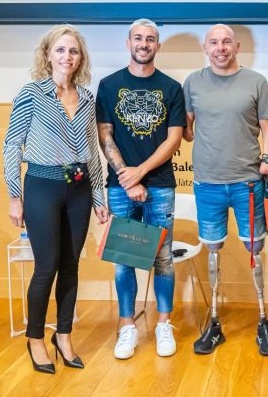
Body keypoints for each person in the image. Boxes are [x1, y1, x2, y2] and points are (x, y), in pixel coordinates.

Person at [3, 24, 108, 374]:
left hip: (78, 190)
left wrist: (98, 195)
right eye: (61, 50)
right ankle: (35, 338)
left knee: (71, 266)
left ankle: (63, 335)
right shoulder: (32, 93)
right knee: (46, 267)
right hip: (41, 188)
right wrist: (15, 196)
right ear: (48, 54)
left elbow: (92, 153)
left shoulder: (89, 98)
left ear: (81, 58)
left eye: (73, 51)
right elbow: (11, 146)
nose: (67, 57)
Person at [183, 24, 268, 356]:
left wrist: (266, 157)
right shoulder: (192, 83)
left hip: (248, 183)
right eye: (214, 42)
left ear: (237, 46)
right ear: (205, 48)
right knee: (212, 250)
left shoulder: (257, 82)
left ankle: (263, 321)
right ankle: (214, 322)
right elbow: (187, 126)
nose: (221, 48)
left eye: (226, 42)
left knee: (255, 250)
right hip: (208, 183)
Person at [96, 19, 186, 359]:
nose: (144, 44)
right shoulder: (108, 85)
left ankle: (164, 325)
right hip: (119, 187)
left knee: (163, 259)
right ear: (128, 42)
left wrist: (141, 173)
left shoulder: (172, 87)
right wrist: (125, 176)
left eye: (150, 39)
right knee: (123, 259)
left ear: (157, 46)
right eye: (138, 38)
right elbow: (105, 135)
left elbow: (174, 138)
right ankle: (128, 327)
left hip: (160, 184)